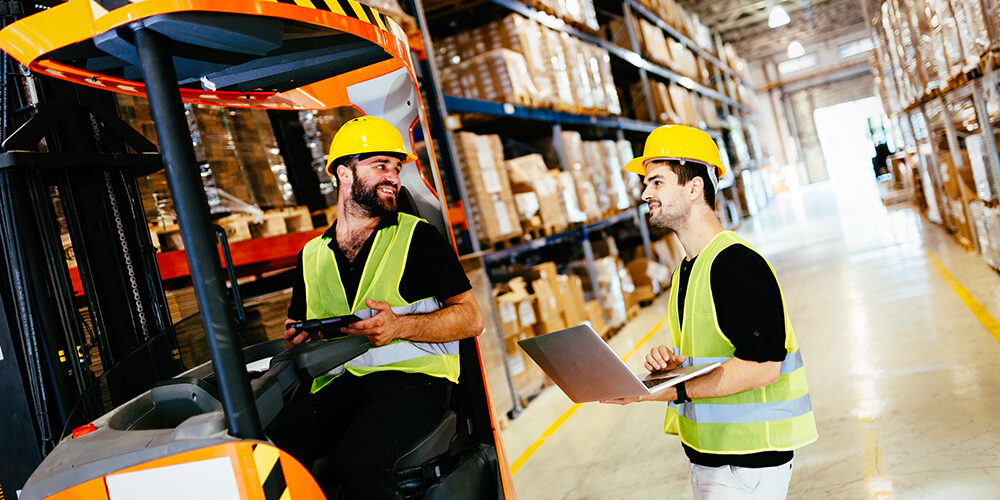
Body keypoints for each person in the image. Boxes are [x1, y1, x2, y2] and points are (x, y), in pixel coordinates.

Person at [268, 116, 484, 498]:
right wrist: (297, 337)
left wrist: (399, 326)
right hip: (340, 383)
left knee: (360, 459)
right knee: (270, 452)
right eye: (380, 166)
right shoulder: (312, 255)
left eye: (396, 168)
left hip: (415, 381)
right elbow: (297, 323)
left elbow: (471, 317)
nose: (394, 178)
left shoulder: (417, 237)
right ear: (343, 173)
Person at [604, 125, 817, 499]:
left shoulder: (735, 265)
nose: (644, 194)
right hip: (716, 458)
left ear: (693, 187)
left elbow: (764, 366)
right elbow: (716, 352)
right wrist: (674, 365)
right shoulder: (688, 268)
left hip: (747, 463)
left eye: (656, 182)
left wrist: (658, 392)